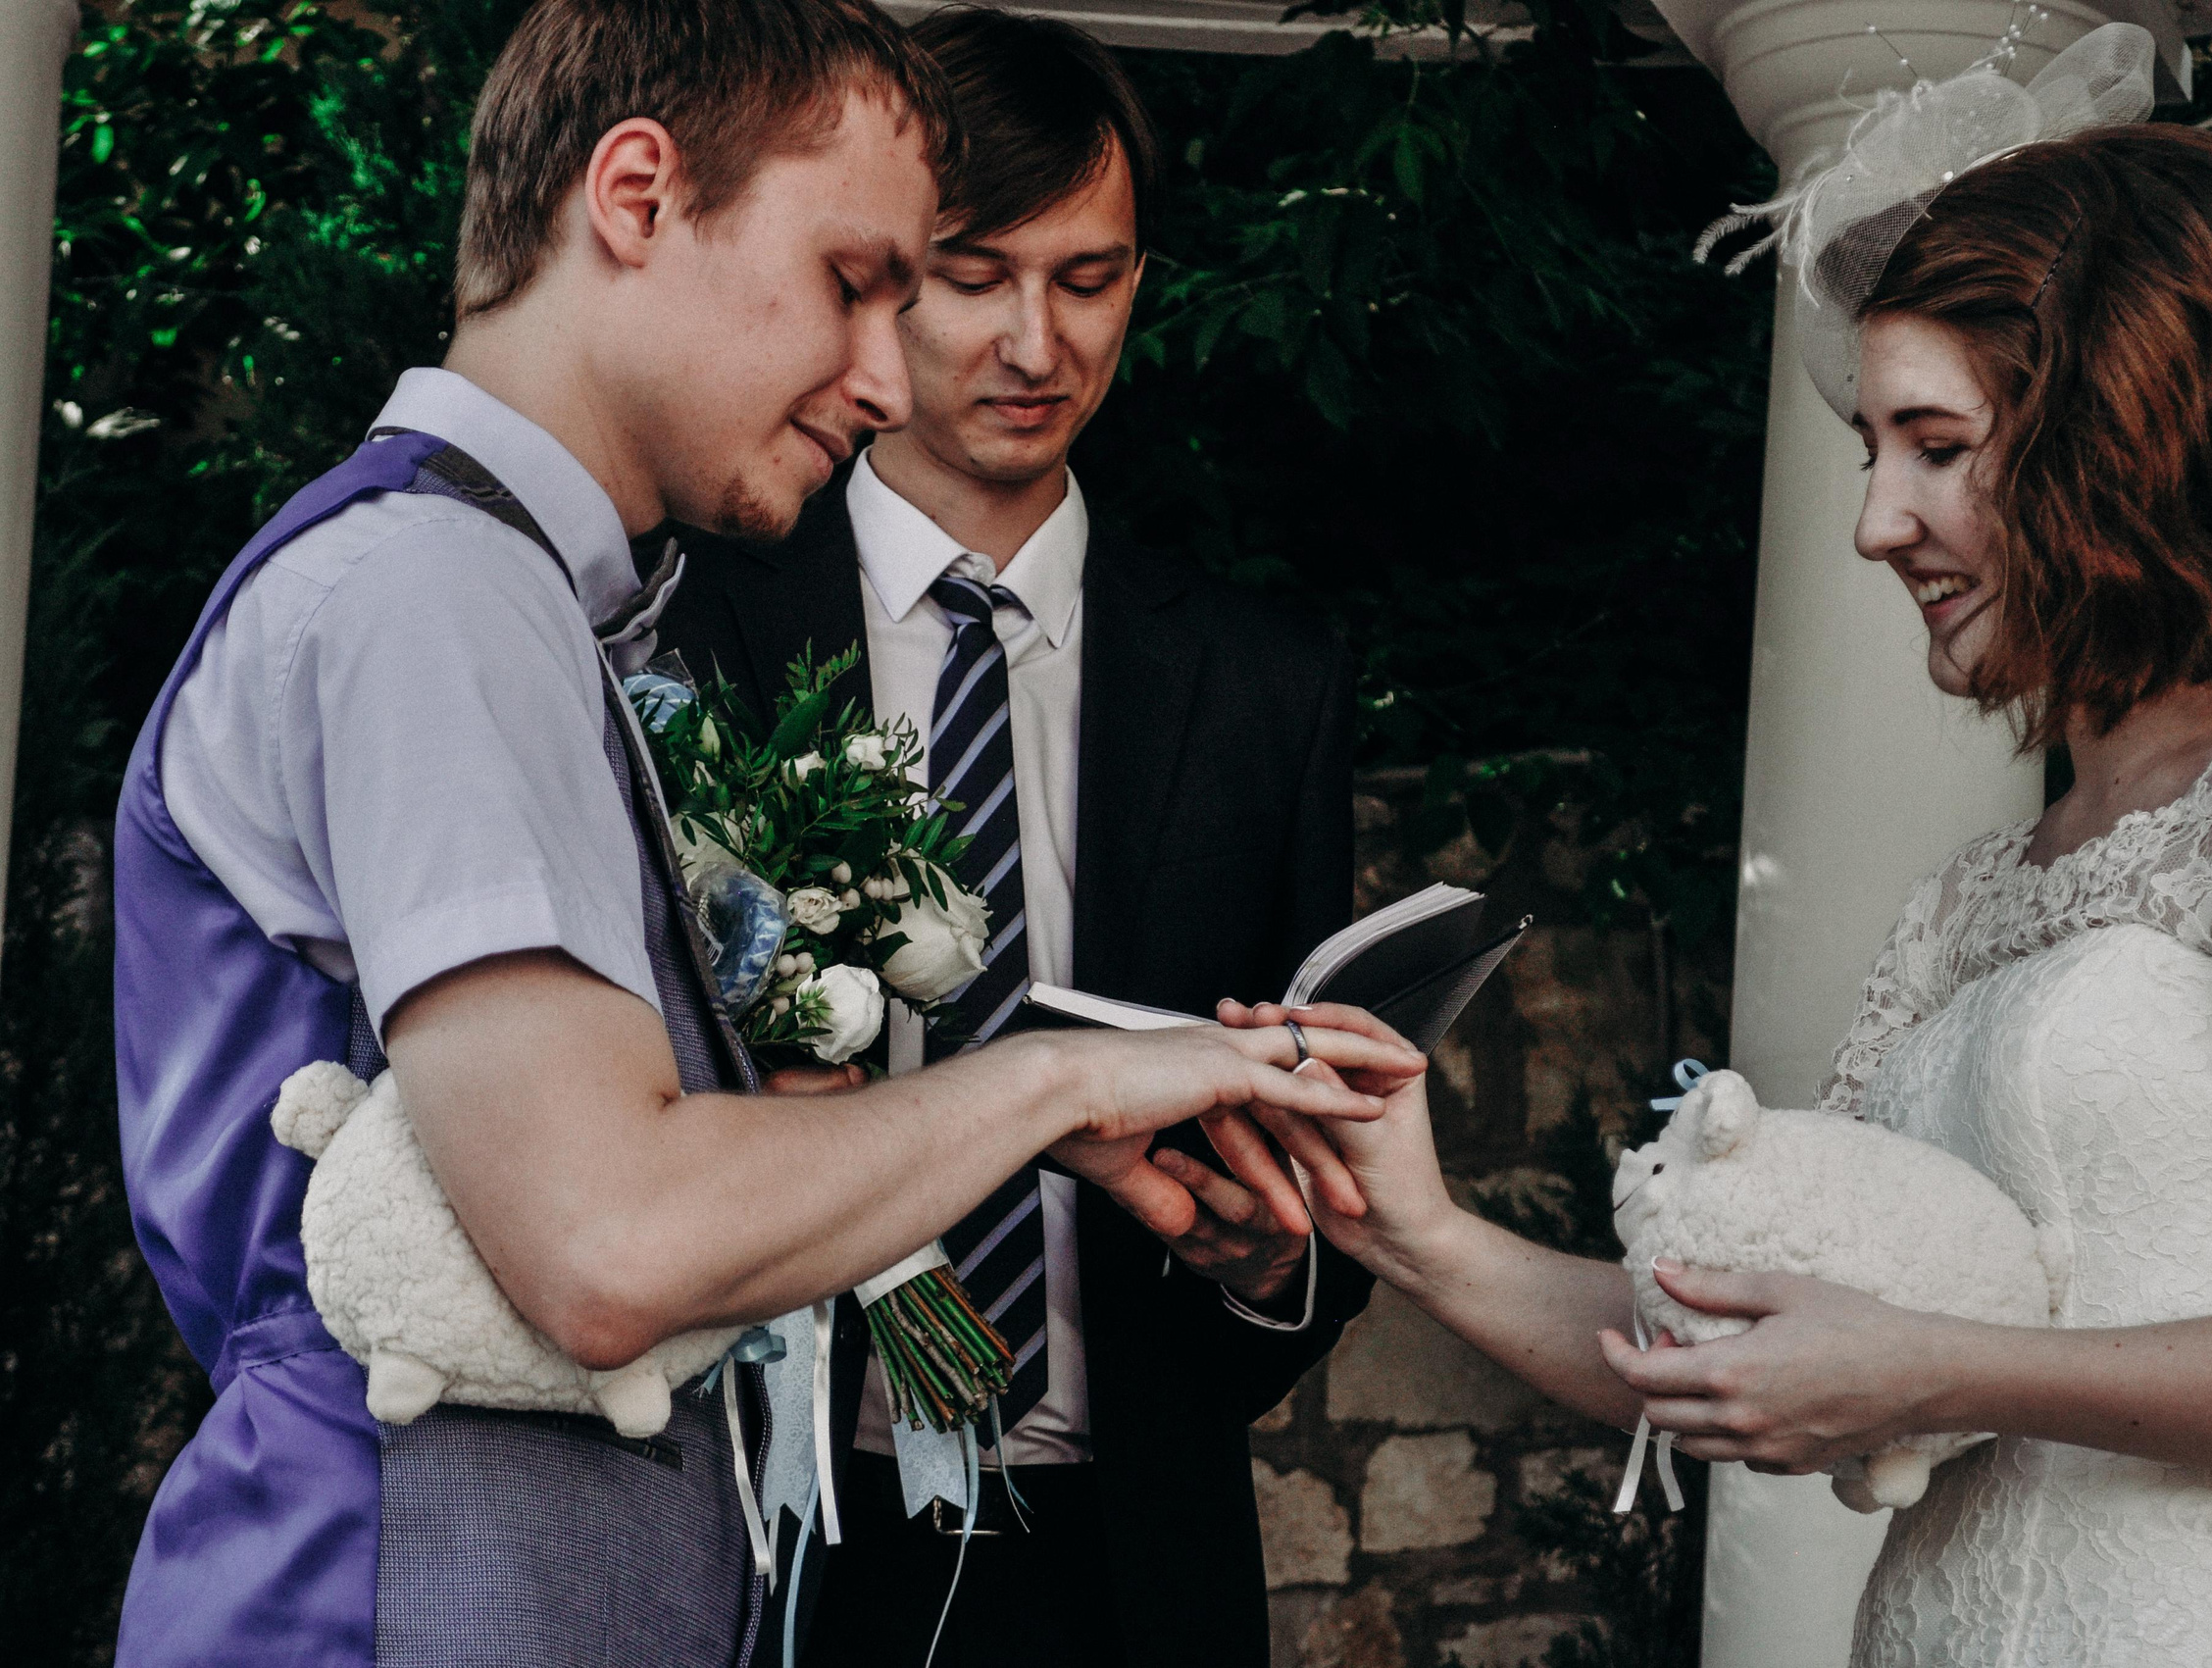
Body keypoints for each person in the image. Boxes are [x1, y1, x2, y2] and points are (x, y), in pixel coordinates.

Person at [110, 4, 1418, 1664]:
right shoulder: (431, 588)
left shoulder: (516, 596)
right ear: (638, 197)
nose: (888, 375)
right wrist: (1066, 1076)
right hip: (398, 1595)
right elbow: (608, 1241)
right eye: (858, 280)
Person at [1250, 62, 2212, 1668]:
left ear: (2122, 436)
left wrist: (1946, 1370)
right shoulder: (1971, 896)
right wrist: (1413, 1224)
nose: (1875, 523)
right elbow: (1756, 1314)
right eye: (1870, 450)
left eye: (1935, 445)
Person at [657, 12, 1370, 1664]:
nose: (1038, 340)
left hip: (1129, 1562)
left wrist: (1273, 1260)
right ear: (882, 276)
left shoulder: (1266, 683)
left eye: (1092, 275)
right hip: (769, 1533)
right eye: (975, 273)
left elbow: (1312, 1154)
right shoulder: (690, 627)